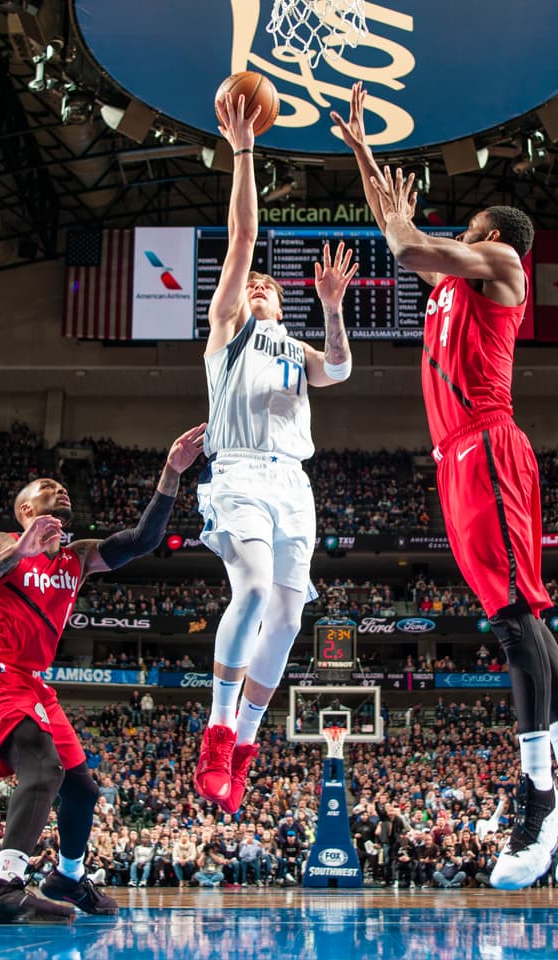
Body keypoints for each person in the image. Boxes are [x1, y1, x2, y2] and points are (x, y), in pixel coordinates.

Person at [334, 84, 558, 890]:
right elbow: (399, 231)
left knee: (512, 620)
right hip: (459, 457)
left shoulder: (501, 264)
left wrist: (385, 190)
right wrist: (364, 156)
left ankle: (543, 797)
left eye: (465, 228)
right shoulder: (452, 284)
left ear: (491, 234)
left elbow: (404, 243)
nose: (456, 235)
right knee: (517, 617)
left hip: (488, 445)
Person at [0, 424, 205, 922]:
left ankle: (68, 875)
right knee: (44, 769)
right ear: (25, 510)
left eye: (62, 488)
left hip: (33, 683)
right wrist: (16, 553)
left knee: (82, 790)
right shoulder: (1, 544)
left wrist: (171, 472)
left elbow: (143, 540)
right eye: (48, 487)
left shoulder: (77, 557)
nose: (60, 490)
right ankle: (2, 885)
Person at [193, 91, 358, 814]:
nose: (258, 284)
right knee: (254, 590)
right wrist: (243, 150)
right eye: (252, 282)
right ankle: (216, 731)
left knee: (289, 620)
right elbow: (242, 238)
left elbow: (340, 369)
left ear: (283, 305)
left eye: (268, 285)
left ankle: (245, 745)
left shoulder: (294, 346)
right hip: (237, 473)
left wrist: (332, 308)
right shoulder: (227, 329)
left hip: (294, 484)